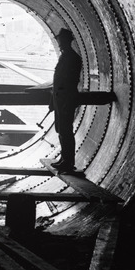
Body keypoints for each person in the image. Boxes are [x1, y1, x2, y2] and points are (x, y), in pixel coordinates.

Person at [50, 28, 82, 173]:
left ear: (67, 41)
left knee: (66, 131)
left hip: (66, 99)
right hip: (60, 99)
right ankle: (64, 160)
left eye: (61, 41)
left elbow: (69, 81)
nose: (59, 43)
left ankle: (68, 163)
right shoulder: (66, 56)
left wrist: (63, 99)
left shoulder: (72, 58)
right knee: (62, 130)